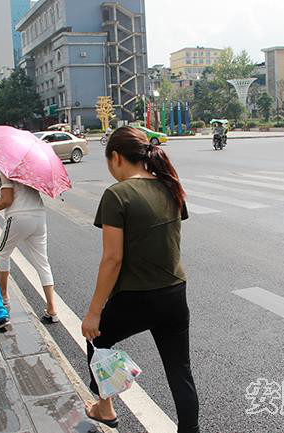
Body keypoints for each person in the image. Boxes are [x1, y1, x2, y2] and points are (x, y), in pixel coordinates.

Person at [82, 126, 199, 432]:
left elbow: (112, 259)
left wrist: (94, 312)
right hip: (175, 293)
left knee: (97, 338)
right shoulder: (170, 185)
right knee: (179, 371)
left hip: (137, 297)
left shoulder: (117, 195)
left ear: (117, 158)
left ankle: (105, 409)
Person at [0, 172, 58, 323]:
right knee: (42, 263)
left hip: (18, 217)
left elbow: (7, 200)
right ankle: (52, 309)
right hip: (39, 216)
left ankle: (4, 299)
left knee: (2, 253)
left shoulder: (7, 168)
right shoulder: (31, 168)